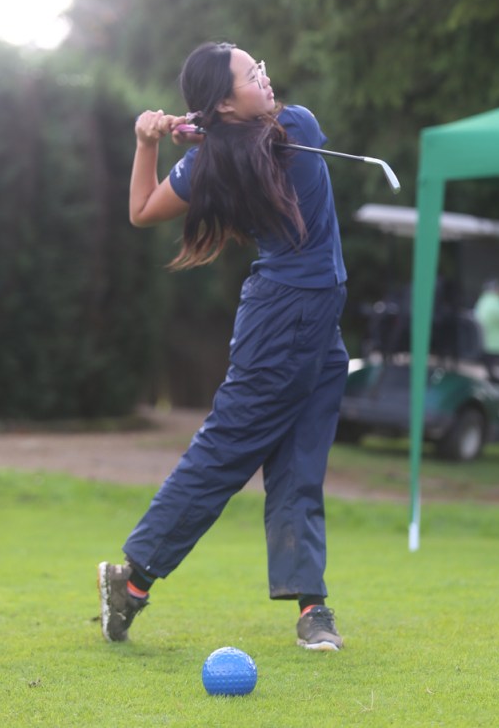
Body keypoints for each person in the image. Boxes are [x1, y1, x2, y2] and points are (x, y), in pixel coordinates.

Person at [98, 41, 349, 651]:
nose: (265, 77)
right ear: (225, 104)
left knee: (301, 462)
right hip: (283, 319)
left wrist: (152, 141)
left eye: (260, 66)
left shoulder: (212, 159)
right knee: (226, 454)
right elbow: (144, 212)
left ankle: (311, 606)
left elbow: (143, 205)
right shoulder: (296, 127)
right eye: (251, 75)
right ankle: (132, 580)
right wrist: (196, 137)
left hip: (316, 323)